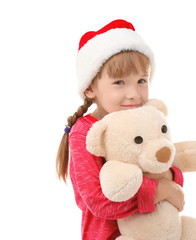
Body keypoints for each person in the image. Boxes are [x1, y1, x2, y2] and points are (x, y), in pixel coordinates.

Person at [56, 19, 185, 240]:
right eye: (119, 83)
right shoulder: (85, 133)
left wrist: (172, 177)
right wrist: (160, 190)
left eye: (141, 80)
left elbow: (165, 162)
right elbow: (99, 202)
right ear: (89, 89)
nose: (134, 93)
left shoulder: (145, 118)